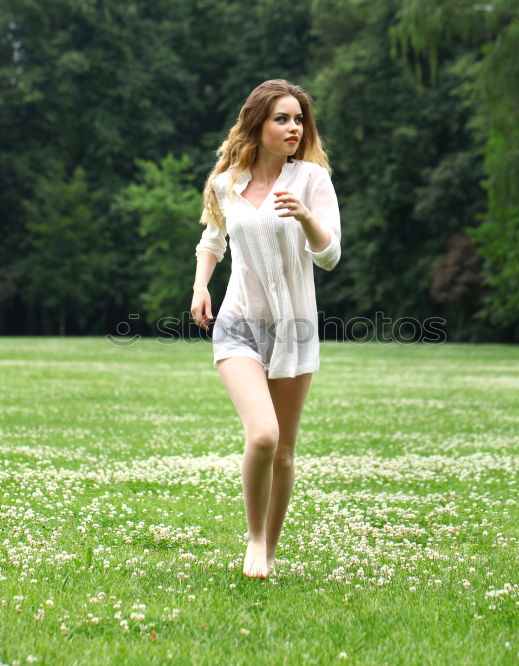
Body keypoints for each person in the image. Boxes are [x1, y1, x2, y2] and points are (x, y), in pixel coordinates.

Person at [189, 79, 342, 579]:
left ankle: (269, 551)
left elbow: (330, 256)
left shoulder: (313, 181)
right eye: (282, 118)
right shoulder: (225, 182)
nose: (293, 128)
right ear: (258, 124)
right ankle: (254, 539)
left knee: (284, 451)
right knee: (263, 436)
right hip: (237, 324)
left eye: (299, 119)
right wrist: (201, 286)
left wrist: (303, 218)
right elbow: (213, 238)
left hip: (294, 329)